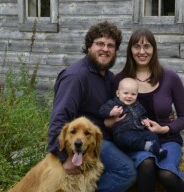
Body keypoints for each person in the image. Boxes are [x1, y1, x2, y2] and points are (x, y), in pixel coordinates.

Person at [47, 21, 136, 192]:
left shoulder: (108, 77)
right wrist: (63, 157)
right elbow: (59, 117)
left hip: (105, 138)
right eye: (100, 43)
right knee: (126, 171)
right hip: (86, 140)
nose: (105, 49)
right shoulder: (76, 76)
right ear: (89, 46)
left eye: (111, 45)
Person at [112, 28, 184, 192]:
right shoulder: (120, 80)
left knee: (166, 174)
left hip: (167, 140)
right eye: (137, 47)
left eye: (147, 46)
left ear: (153, 49)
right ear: (130, 50)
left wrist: (165, 128)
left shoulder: (170, 78)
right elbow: (109, 111)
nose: (142, 51)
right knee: (146, 163)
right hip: (136, 141)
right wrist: (111, 120)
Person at [99, 77, 168, 160]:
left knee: (152, 135)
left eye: (133, 94)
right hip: (123, 133)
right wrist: (111, 112)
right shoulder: (114, 103)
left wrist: (145, 120)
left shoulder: (137, 105)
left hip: (138, 131)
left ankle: (156, 149)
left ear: (137, 95)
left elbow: (143, 114)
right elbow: (102, 111)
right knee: (127, 139)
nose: (129, 96)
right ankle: (148, 147)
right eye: (126, 93)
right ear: (118, 93)